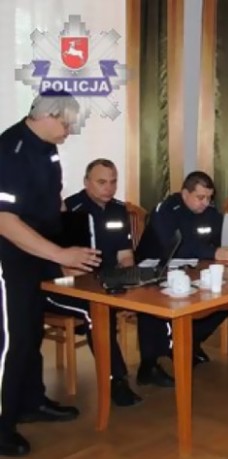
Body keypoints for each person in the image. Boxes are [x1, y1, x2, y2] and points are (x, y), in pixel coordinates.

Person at [0, 91, 101, 456]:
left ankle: (30, 402)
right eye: (66, 124)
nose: (69, 131)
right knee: (10, 343)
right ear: (47, 115)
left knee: (31, 333)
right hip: (8, 258)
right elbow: (5, 221)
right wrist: (59, 253)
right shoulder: (9, 152)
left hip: (36, 252)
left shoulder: (48, 147)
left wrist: (62, 255)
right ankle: (2, 425)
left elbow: (52, 200)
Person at [43, 159, 141, 407]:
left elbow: (125, 255)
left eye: (113, 182)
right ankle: (116, 379)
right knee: (96, 311)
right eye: (101, 182)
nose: (109, 188)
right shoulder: (69, 209)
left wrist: (129, 279)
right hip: (68, 283)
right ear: (86, 182)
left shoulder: (118, 210)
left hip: (106, 280)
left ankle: (151, 364)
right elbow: (62, 263)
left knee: (149, 293)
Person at [134, 172, 228, 387]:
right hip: (152, 271)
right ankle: (149, 364)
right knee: (155, 302)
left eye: (209, 197)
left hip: (190, 269)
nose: (206, 203)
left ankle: (188, 342)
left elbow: (223, 236)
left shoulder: (209, 211)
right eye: (200, 197)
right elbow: (174, 245)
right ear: (184, 193)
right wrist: (214, 252)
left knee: (227, 299)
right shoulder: (166, 210)